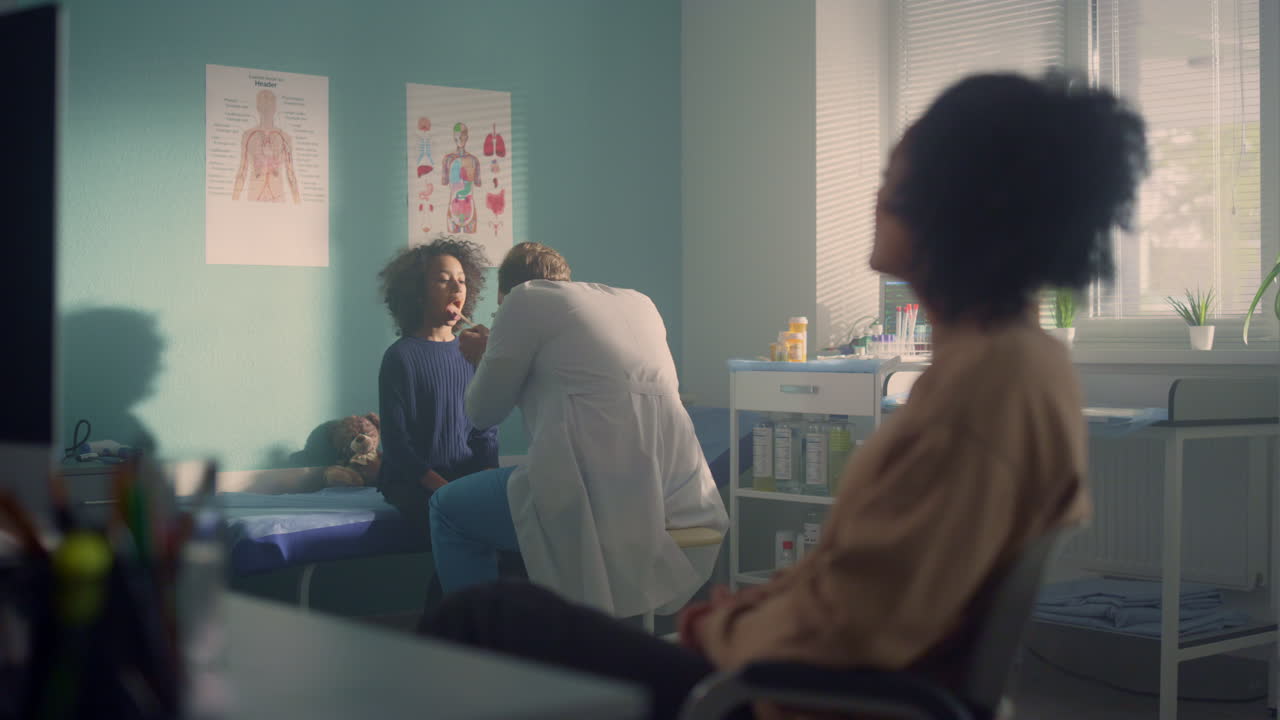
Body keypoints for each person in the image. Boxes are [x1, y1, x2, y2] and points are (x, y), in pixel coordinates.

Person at [418, 70, 1149, 720]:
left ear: (957, 205)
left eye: (895, 178)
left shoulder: (983, 392)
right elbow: (866, 581)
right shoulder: (1018, 364)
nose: (877, 193)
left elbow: (856, 625)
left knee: (485, 618)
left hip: (786, 695)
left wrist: (717, 629)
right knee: (508, 620)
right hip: (808, 672)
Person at [428, 242, 729, 618]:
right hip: (675, 492)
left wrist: (484, 358)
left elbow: (482, 412)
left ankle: (477, 644)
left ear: (505, 295)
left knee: (446, 508)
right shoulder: (639, 303)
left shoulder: (523, 300)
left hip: (591, 492)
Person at [376, 237, 499, 536]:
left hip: (464, 482)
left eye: (461, 280)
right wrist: (444, 489)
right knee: (462, 526)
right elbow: (396, 446)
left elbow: (485, 431)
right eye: (444, 280)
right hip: (414, 485)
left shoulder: (473, 353)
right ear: (418, 293)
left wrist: (486, 484)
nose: (457, 288)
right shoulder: (399, 357)